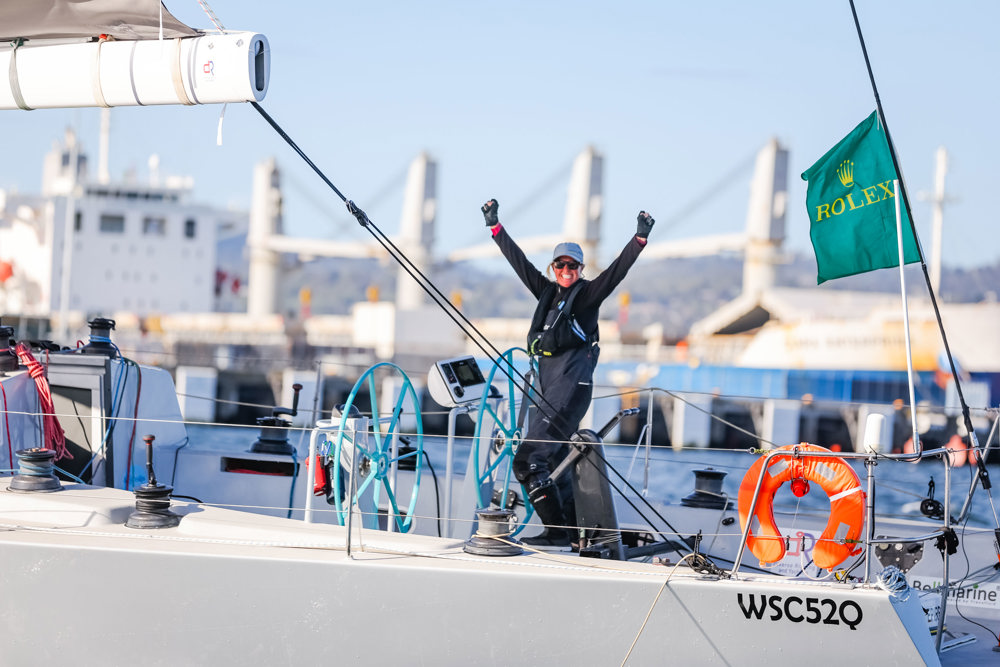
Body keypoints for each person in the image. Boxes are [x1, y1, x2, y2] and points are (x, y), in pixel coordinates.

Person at [481, 199, 653, 545]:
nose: (566, 270)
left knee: (528, 461)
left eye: (572, 266)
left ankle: (557, 532)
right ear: (553, 268)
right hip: (546, 394)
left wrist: (639, 240)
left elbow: (615, 273)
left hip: (569, 393)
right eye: (560, 265)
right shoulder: (546, 294)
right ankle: (577, 533)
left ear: (579, 268)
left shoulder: (587, 296)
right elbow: (519, 264)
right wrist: (495, 228)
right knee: (555, 460)